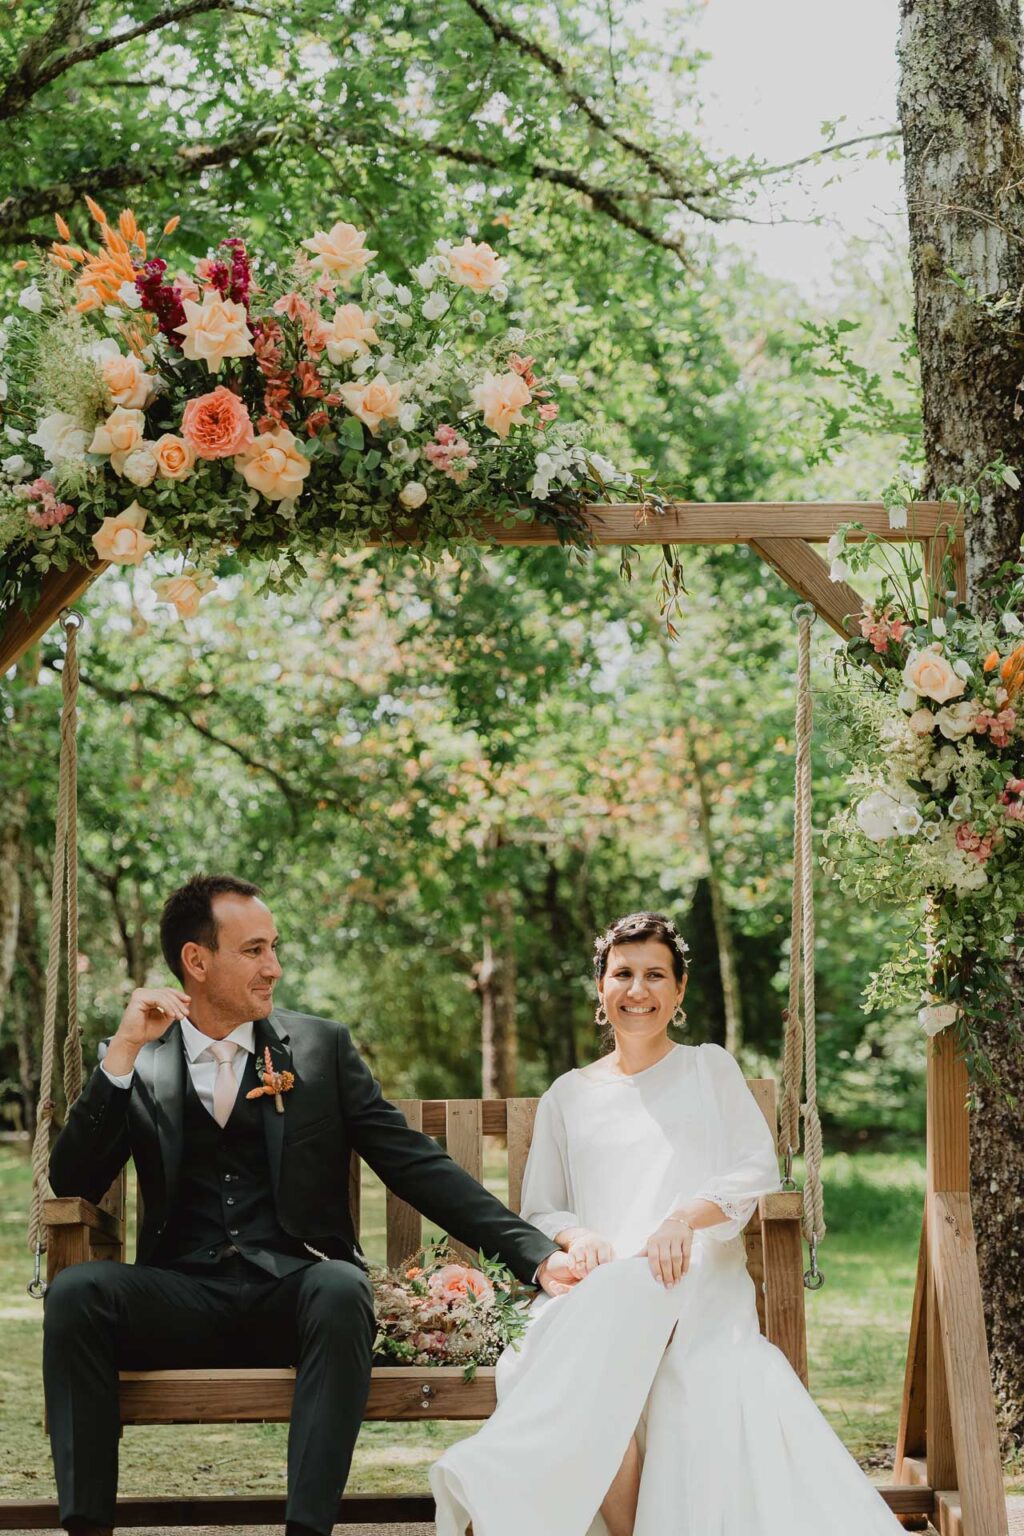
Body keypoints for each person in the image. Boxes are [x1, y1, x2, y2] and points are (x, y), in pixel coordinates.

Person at [43, 873, 576, 1536]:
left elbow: (415, 1164)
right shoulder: (141, 1058)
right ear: (196, 961)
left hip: (296, 1297)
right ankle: (86, 1529)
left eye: (274, 948)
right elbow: (74, 1182)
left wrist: (535, 1257)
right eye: (255, 950)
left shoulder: (319, 1048)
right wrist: (120, 1052)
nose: (275, 966)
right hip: (182, 1295)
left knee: (338, 1286)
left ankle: (306, 1530)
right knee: (76, 1293)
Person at [430, 910, 907, 1536]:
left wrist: (683, 1217)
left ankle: (498, 1480)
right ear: (601, 989)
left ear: (679, 992)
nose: (638, 990)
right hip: (603, 1285)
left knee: (627, 1360)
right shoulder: (567, 1095)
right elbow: (544, 1206)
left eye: (656, 975)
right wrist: (579, 1236)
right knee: (582, 1363)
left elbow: (755, 1169)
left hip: (692, 1279)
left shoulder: (709, 1069)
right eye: (623, 974)